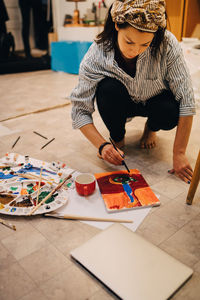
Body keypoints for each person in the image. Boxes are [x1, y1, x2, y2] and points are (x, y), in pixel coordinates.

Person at [70, 0, 196, 184]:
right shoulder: (98, 53)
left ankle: (151, 128)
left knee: (170, 111)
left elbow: (187, 100)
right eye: (129, 41)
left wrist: (179, 153)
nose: (135, 50)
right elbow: (79, 110)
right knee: (107, 89)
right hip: (121, 101)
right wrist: (102, 145)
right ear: (116, 25)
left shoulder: (167, 44)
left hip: (155, 101)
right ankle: (117, 137)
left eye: (145, 45)